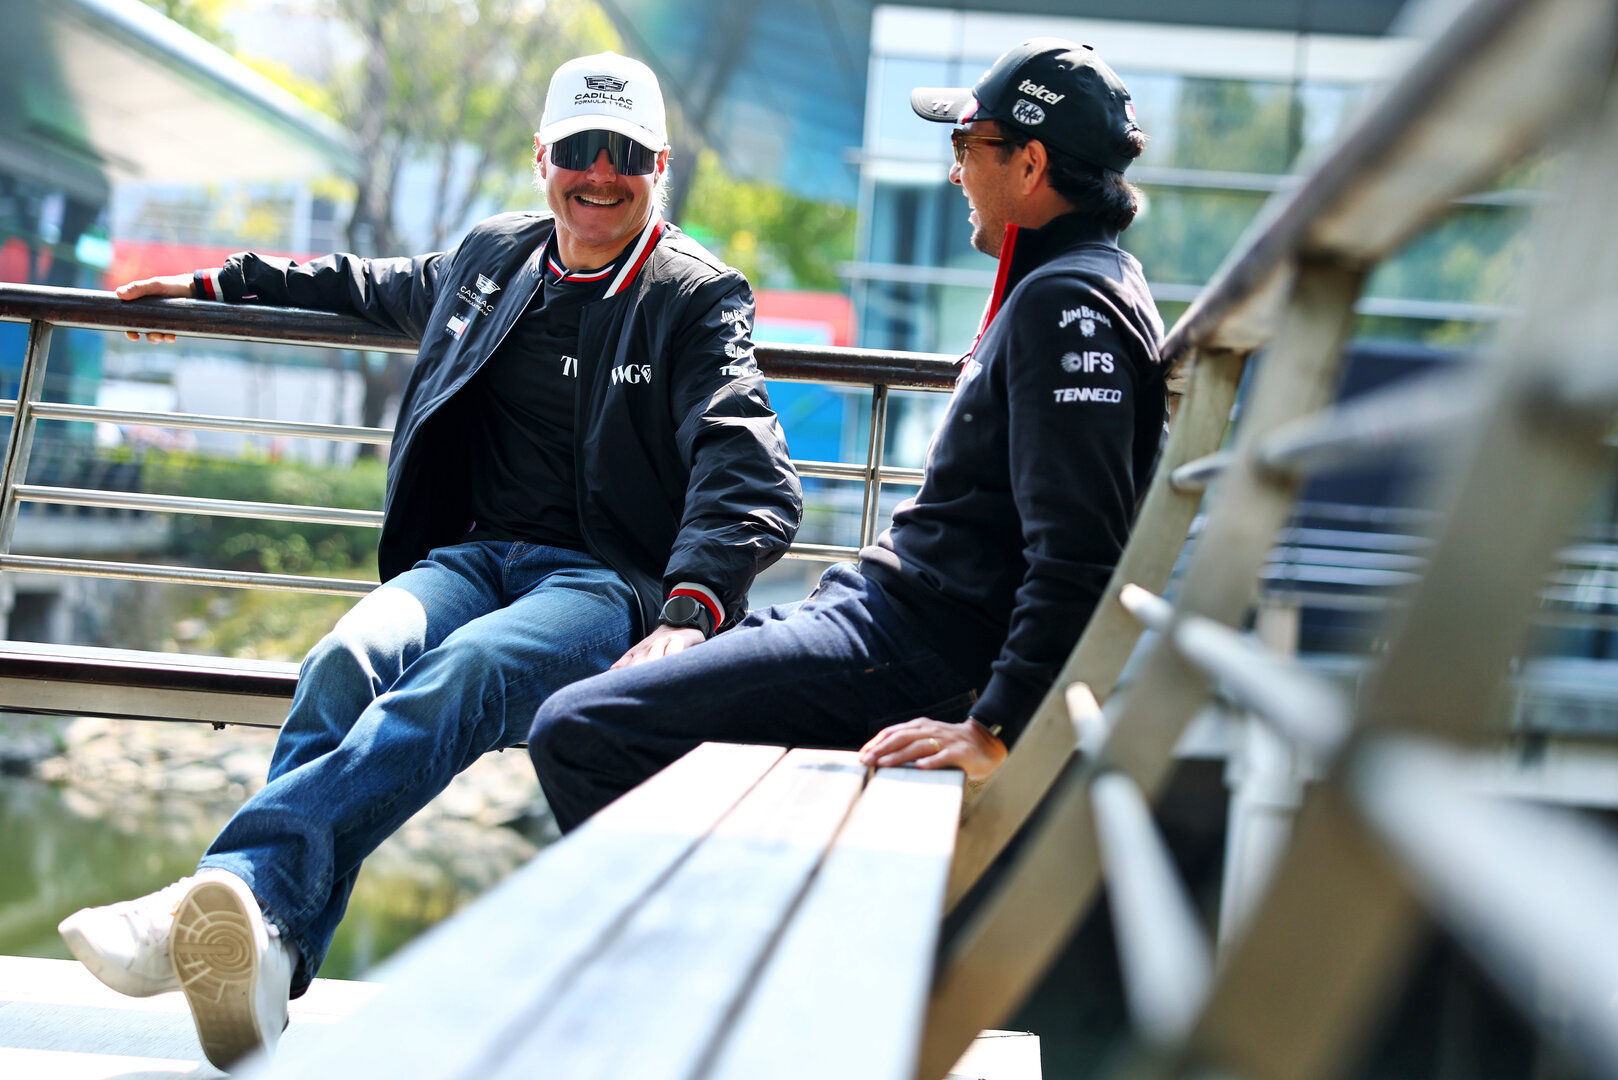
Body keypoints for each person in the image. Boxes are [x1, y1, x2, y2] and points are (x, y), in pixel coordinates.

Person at [57, 51, 800, 1070]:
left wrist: (690, 608)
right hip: (469, 559)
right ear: (541, 156)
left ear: (658, 167)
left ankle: (209, 903)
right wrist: (225, 280)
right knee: (342, 660)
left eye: (625, 153)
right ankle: (271, 951)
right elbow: (367, 284)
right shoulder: (496, 255)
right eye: (580, 148)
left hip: (598, 582)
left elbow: (744, 458)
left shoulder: (695, 297)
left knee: (465, 673)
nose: (600, 173)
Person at [528, 39, 1165, 829]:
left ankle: (712, 913)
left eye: (967, 146)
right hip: (881, 619)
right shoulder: (1073, 286)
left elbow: (1079, 548)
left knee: (578, 730)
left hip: (909, 646)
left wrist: (994, 726)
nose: (956, 173)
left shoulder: (1068, 306)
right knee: (615, 676)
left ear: (1030, 164)